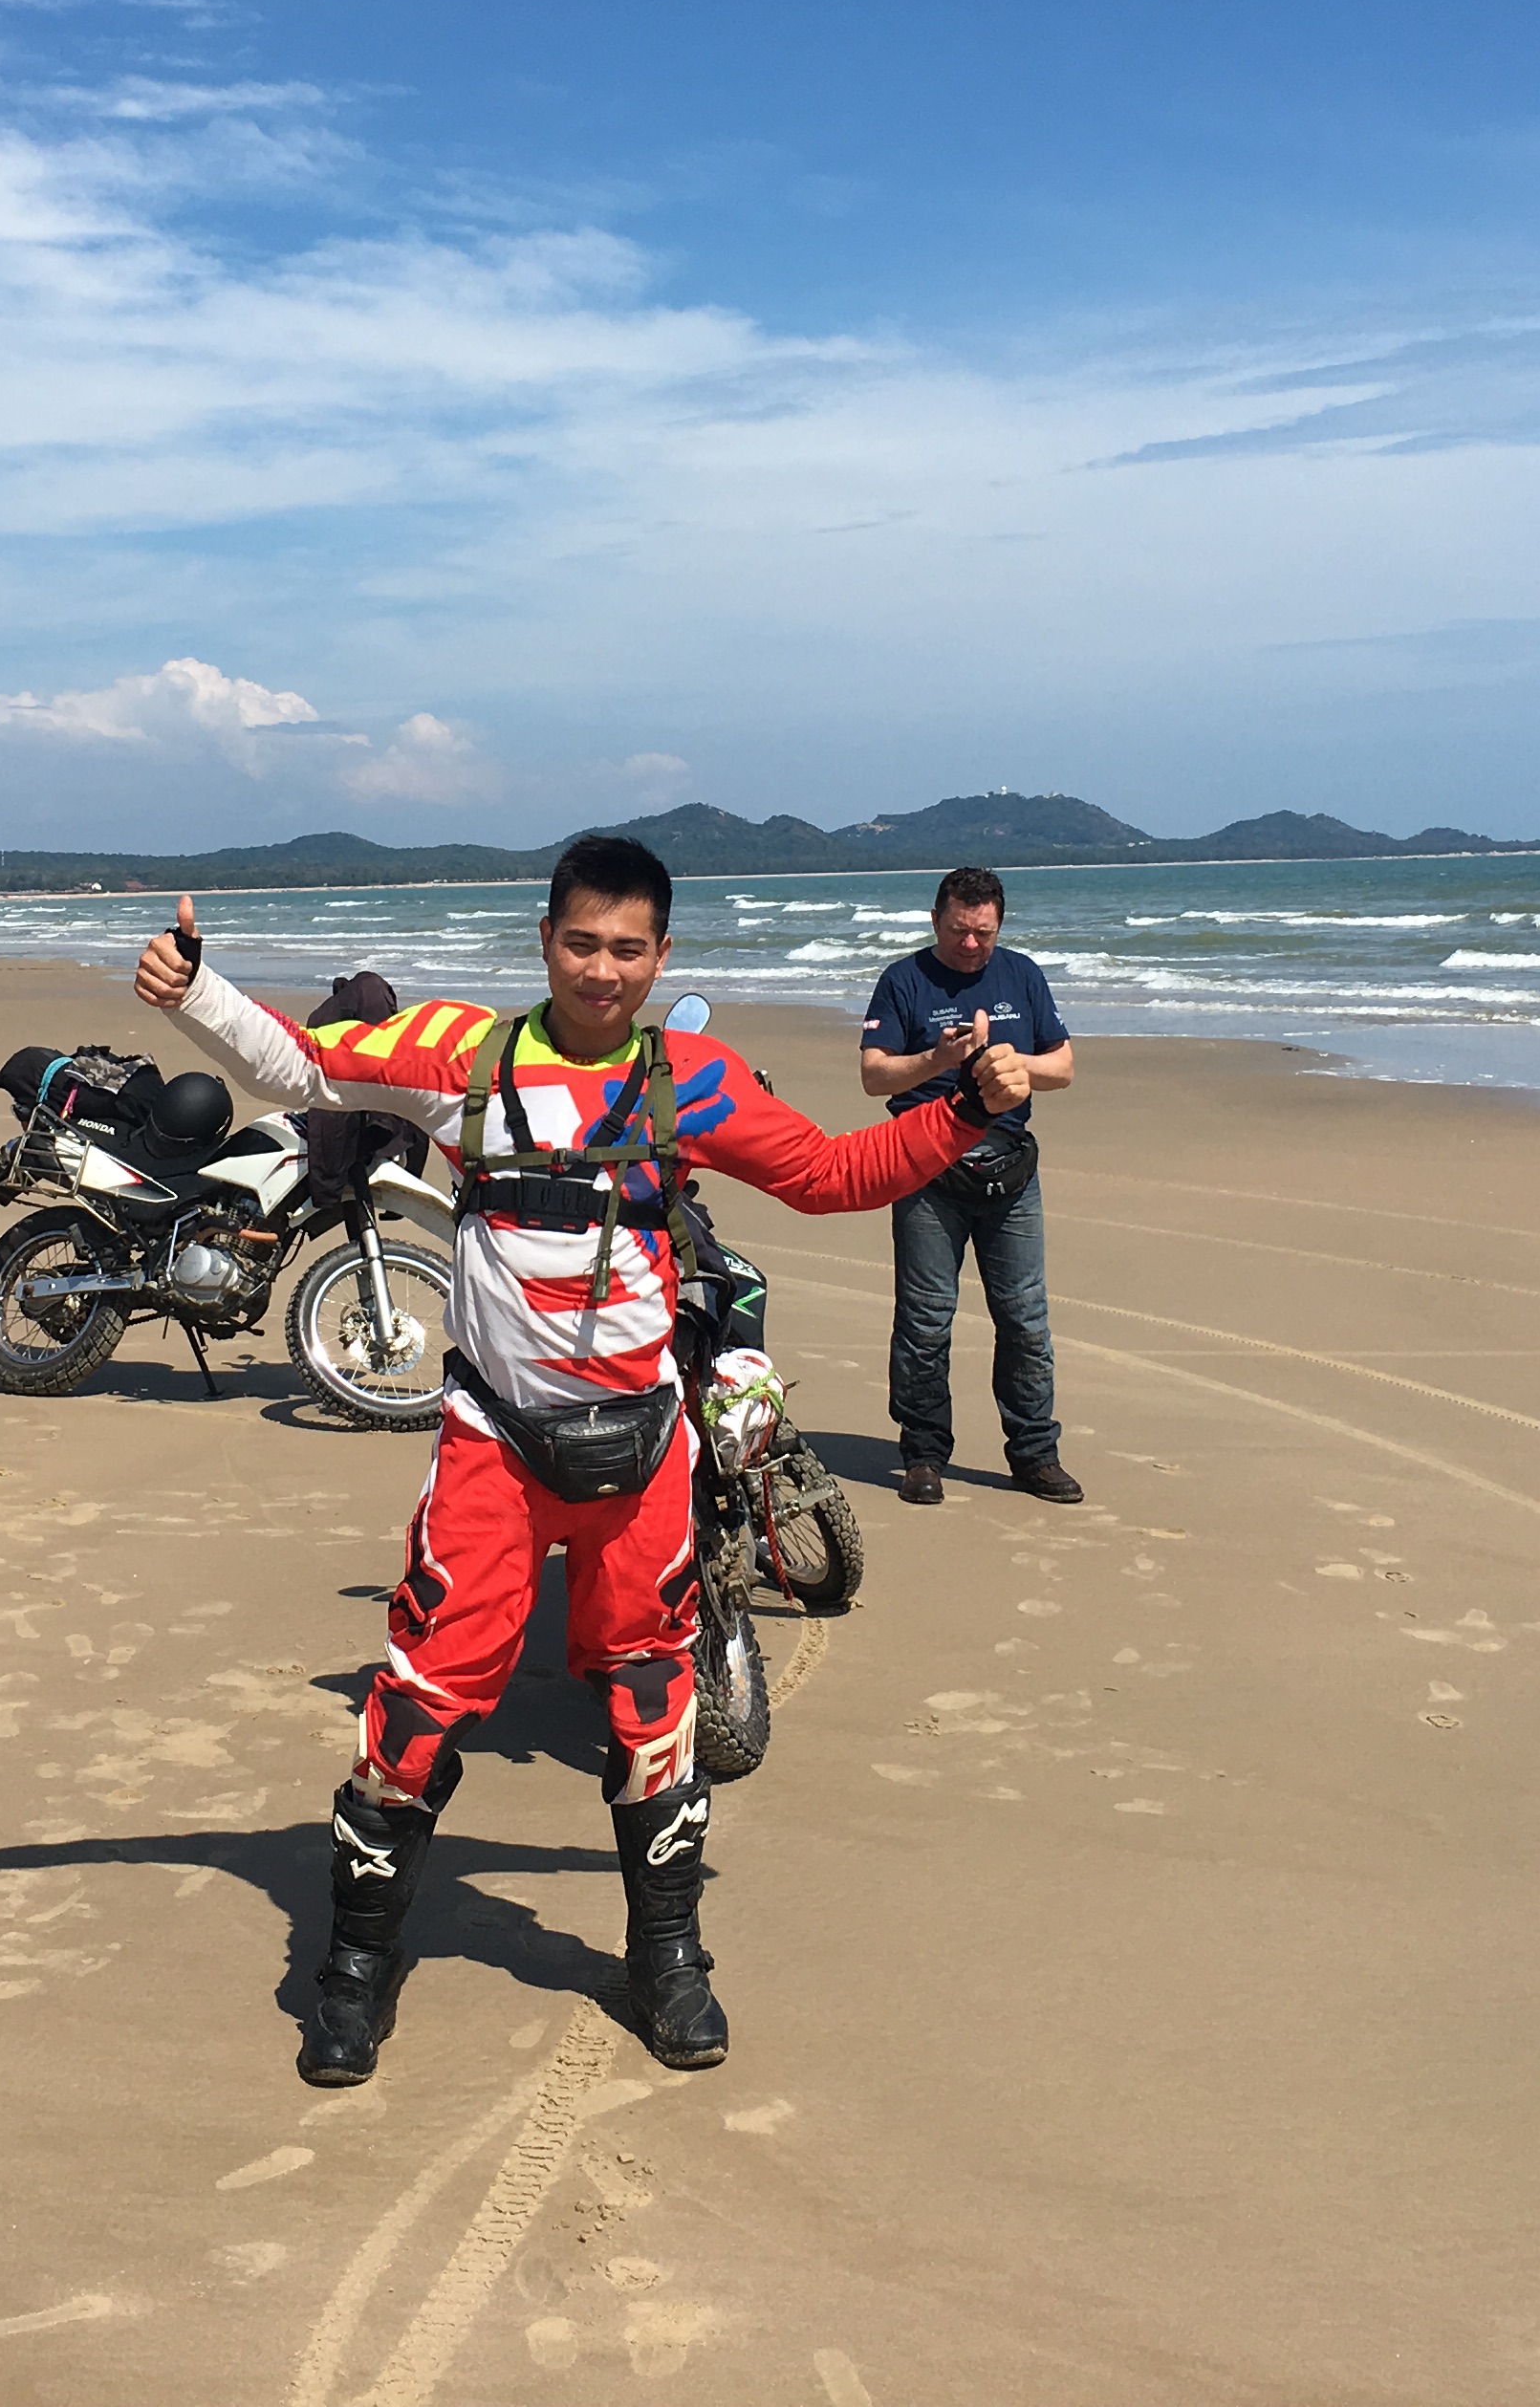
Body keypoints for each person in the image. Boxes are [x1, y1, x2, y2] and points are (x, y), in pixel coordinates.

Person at [136, 837, 1025, 2084]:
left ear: (662, 957)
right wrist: (198, 993)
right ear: (544, 940)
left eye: (627, 950)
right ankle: (351, 1968)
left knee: (654, 1707)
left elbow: (829, 1176)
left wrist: (971, 1109)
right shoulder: (467, 1058)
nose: (602, 972)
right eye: (580, 943)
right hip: (494, 1454)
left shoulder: (693, 1082)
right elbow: (310, 1067)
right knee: (414, 1712)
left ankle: (668, 1961)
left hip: (644, 1457)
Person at [860, 865, 1076, 1507]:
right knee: (926, 1320)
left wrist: (1013, 1063)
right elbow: (875, 1077)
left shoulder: (1023, 975)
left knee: (1025, 1319)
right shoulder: (904, 981)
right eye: (960, 931)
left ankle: (1034, 1452)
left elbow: (1063, 1067)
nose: (972, 944)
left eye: (983, 932)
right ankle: (923, 1453)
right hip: (925, 1169)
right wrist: (938, 1060)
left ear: (999, 925)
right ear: (936, 921)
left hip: (1009, 1170)